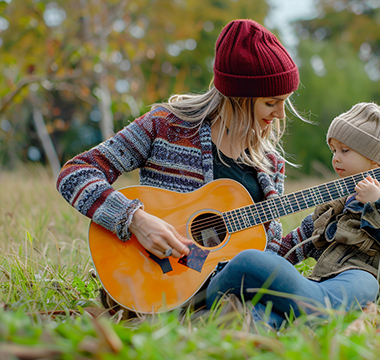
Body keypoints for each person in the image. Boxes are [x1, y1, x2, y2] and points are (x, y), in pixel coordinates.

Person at [56, 19, 302, 310]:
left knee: (348, 285)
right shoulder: (165, 126)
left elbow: (265, 252)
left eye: (285, 101)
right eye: (272, 102)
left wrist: (319, 228)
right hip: (170, 271)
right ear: (239, 96)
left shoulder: (270, 164)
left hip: (232, 284)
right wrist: (135, 219)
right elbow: (75, 173)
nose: (281, 114)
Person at [206, 102, 380, 328]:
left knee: (257, 267)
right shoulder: (335, 204)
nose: (336, 158)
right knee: (258, 272)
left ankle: (258, 294)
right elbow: (301, 240)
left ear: (374, 160)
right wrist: (269, 259)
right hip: (319, 281)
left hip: (361, 279)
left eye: (345, 150)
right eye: (334, 150)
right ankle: (252, 323)